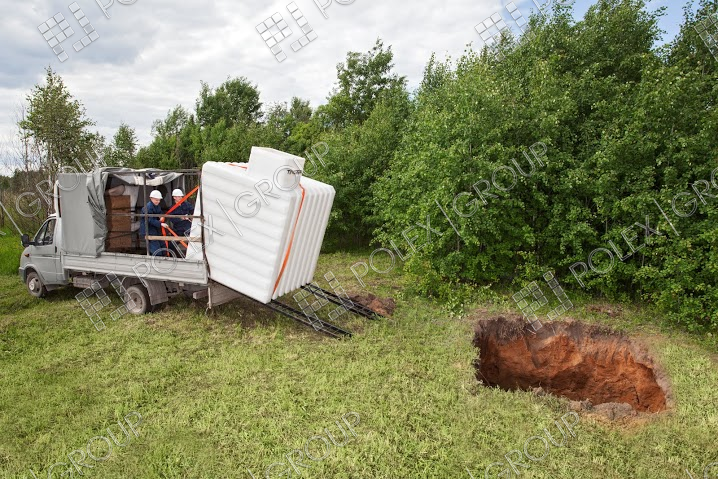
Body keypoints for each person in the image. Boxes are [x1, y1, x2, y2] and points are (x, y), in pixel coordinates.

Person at [138, 190, 168, 255]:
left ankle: (162, 257)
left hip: (155, 230)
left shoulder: (157, 206)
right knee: (157, 250)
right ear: (151, 198)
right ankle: (157, 259)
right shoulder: (148, 207)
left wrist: (161, 216)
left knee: (163, 247)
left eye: (159, 200)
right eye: (156, 200)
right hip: (148, 231)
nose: (158, 201)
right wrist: (160, 224)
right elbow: (150, 220)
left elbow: (160, 213)